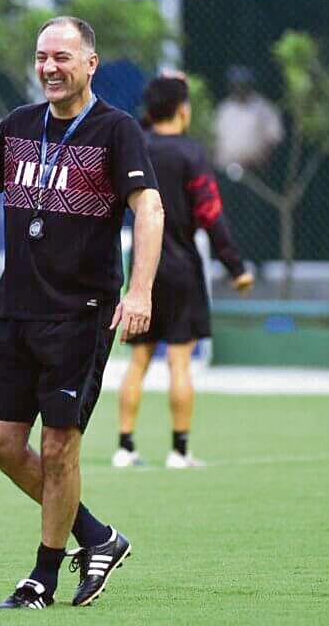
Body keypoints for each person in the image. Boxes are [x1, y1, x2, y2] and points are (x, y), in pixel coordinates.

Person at [0, 17, 165, 609]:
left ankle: (42, 577)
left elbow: (150, 209)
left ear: (91, 63)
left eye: (62, 57)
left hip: (80, 314)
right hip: (15, 310)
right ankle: (96, 537)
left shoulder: (117, 132)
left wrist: (138, 292)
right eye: (42, 57)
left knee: (61, 446)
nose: (49, 68)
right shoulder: (18, 127)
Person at [113, 74, 254, 470]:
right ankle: (179, 451)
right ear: (183, 110)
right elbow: (211, 215)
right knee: (179, 361)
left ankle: (125, 446)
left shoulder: (137, 148)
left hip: (143, 267)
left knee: (137, 361)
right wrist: (236, 268)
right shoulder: (191, 154)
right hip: (181, 268)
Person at [213, 65, 284, 171]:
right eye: (235, 84)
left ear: (250, 85)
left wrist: (262, 159)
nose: (239, 88)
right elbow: (214, 138)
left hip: (254, 169)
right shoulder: (224, 109)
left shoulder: (263, 108)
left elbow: (274, 138)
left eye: (242, 84)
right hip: (225, 169)